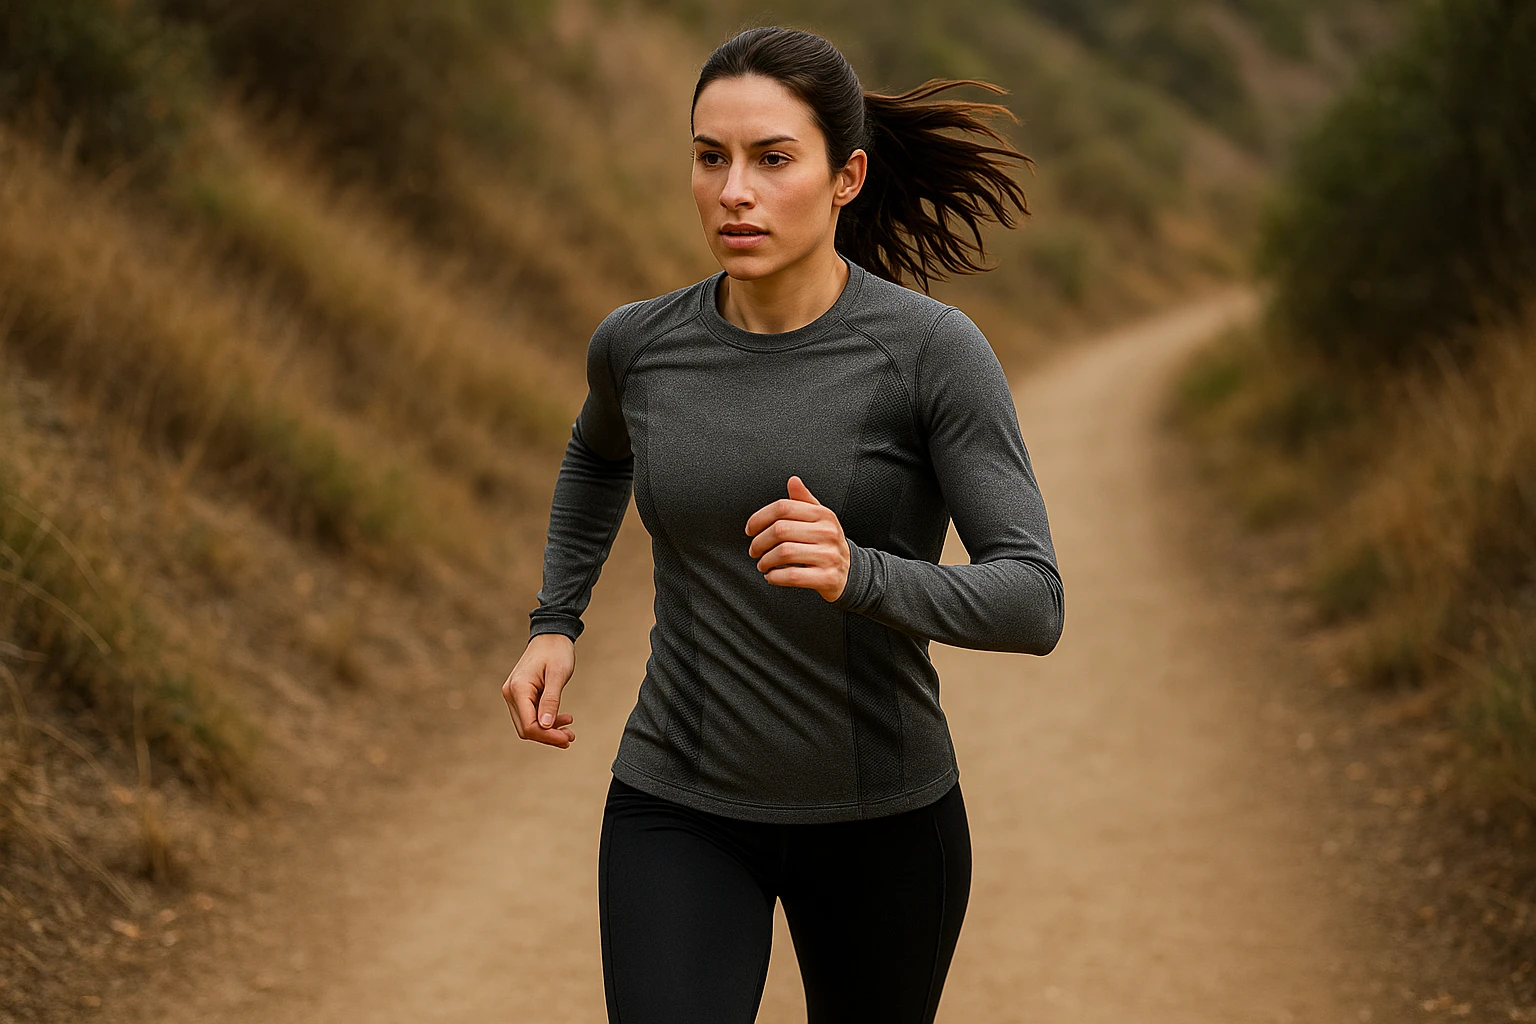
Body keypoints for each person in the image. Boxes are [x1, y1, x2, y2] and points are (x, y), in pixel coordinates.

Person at [502, 24, 1065, 1024]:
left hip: (884, 821)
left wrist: (863, 572)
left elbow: (1033, 598)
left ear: (845, 176)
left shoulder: (931, 353)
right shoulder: (640, 345)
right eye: (710, 157)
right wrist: (557, 618)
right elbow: (596, 452)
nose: (733, 190)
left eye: (771, 159)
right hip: (677, 799)